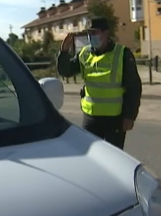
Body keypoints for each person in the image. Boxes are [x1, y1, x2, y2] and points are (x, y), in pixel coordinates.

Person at [57, 17, 142, 149]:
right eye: (89, 33)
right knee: (92, 155)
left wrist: (130, 116)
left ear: (106, 33)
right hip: (91, 117)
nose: (91, 36)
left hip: (115, 119)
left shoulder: (122, 54)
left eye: (94, 33)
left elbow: (134, 87)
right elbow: (66, 71)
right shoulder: (84, 53)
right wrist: (63, 53)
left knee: (113, 158)